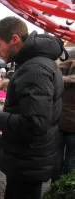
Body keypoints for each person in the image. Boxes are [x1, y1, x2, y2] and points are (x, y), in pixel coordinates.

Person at [0, 16, 65, 199]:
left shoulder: (34, 69)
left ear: (14, 39)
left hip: (28, 161)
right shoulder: (36, 64)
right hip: (29, 159)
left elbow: (35, 123)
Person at [52, 48, 75, 182]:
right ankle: (65, 187)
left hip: (58, 121)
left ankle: (54, 184)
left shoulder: (57, 74)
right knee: (71, 158)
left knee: (57, 155)